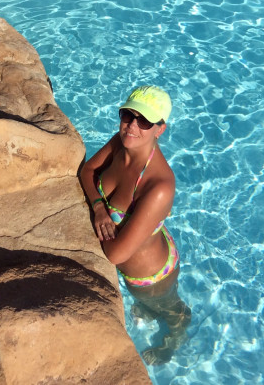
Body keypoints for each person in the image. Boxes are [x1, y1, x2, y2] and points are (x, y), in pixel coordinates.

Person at [80, 85, 191, 364]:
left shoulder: (160, 186)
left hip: (150, 276)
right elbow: (87, 170)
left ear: (160, 129)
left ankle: (177, 336)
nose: (132, 126)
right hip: (145, 245)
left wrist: (100, 210)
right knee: (149, 306)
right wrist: (98, 208)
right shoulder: (123, 141)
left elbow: (116, 254)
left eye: (144, 121)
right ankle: (152, 310)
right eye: (127, 115)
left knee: (170, 308)